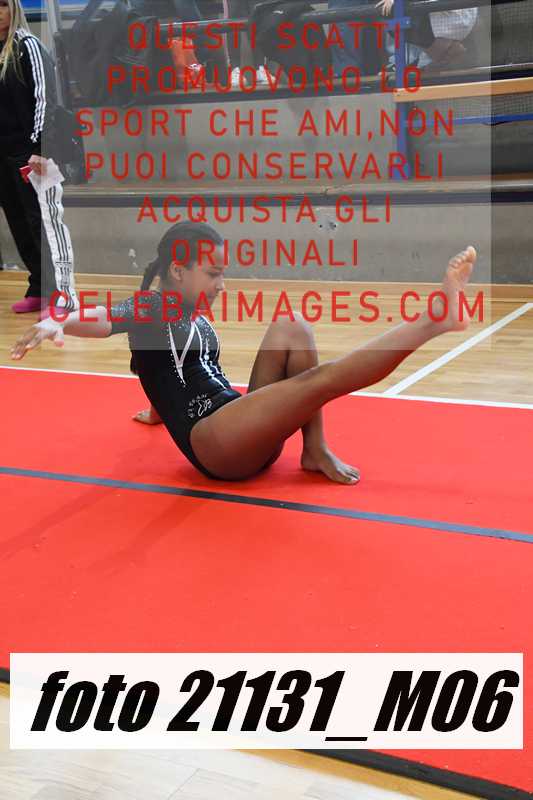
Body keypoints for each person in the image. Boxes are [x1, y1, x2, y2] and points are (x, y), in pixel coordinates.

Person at [12, 222, 477, 484]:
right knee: (321, 381)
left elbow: (165, 369)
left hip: (239, 425)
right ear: (179, 271)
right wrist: (59, 321)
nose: (222, 285)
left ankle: (314, 450)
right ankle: (434, 321)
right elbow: (105, 317)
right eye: (213, 274)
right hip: (217, 446)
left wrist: (156, 412)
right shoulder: (153, 306)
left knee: (292, 325)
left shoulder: (190, 317)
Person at [0, 0, 77, 314]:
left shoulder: (27, 46)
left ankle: (63, 294)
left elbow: (45, 100)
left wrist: (40, 148)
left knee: (46, 224)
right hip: (3, 154)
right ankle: (39, 287)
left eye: (2, 5)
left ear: (14, 8)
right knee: (19, 223)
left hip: (33, 153)